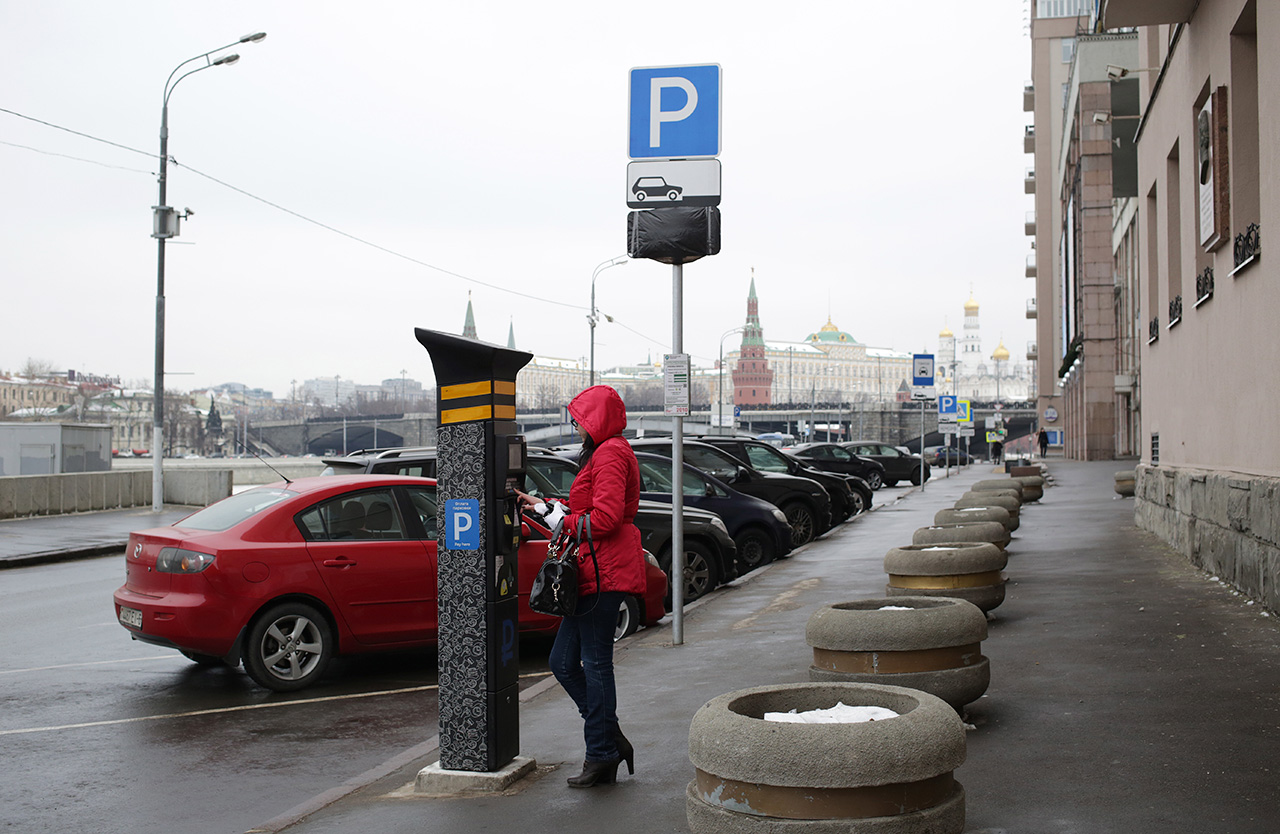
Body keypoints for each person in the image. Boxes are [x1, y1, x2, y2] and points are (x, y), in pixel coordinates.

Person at [519, 385, 645, 788]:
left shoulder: (609, 453)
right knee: (562, 662)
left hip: (602, 571)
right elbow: (589, 508)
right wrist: (543, 507)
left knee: (594, 665)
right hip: (594, 570)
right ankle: (609, 739)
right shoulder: (608, 451)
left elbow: (604, 519)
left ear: (595, 420)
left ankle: (602, 753)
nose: (575, 426)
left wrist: (562, 522)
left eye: (579, 419)